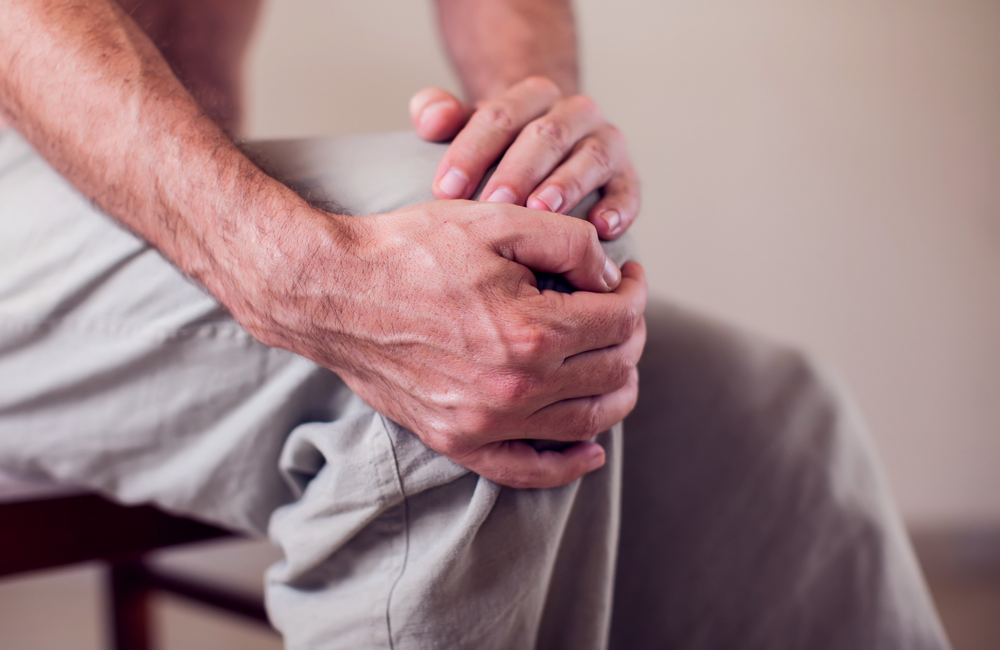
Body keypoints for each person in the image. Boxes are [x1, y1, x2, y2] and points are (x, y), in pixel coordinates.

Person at [0, 1, 950, 648]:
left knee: (768, 413)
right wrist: (300, 278)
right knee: (458, 316)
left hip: (147, 198)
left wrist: (538, 145)